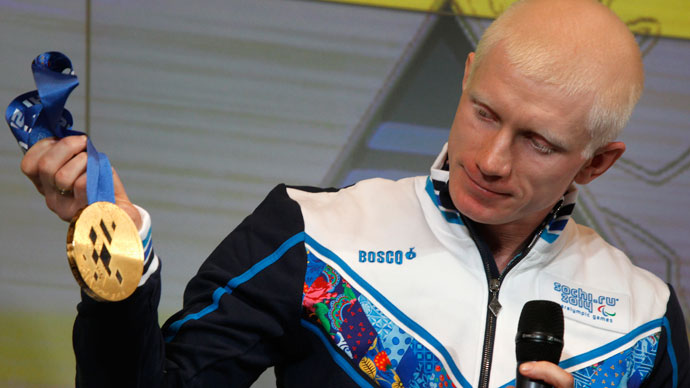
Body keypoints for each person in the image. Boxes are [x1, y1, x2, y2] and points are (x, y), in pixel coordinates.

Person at [18, 0, 689, 387]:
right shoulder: (312, 233)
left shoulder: (644, 316)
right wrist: (116, 261)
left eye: (538, 142)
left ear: (597, 163)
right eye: (484, 111)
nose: (488, 160)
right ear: (466, 77)